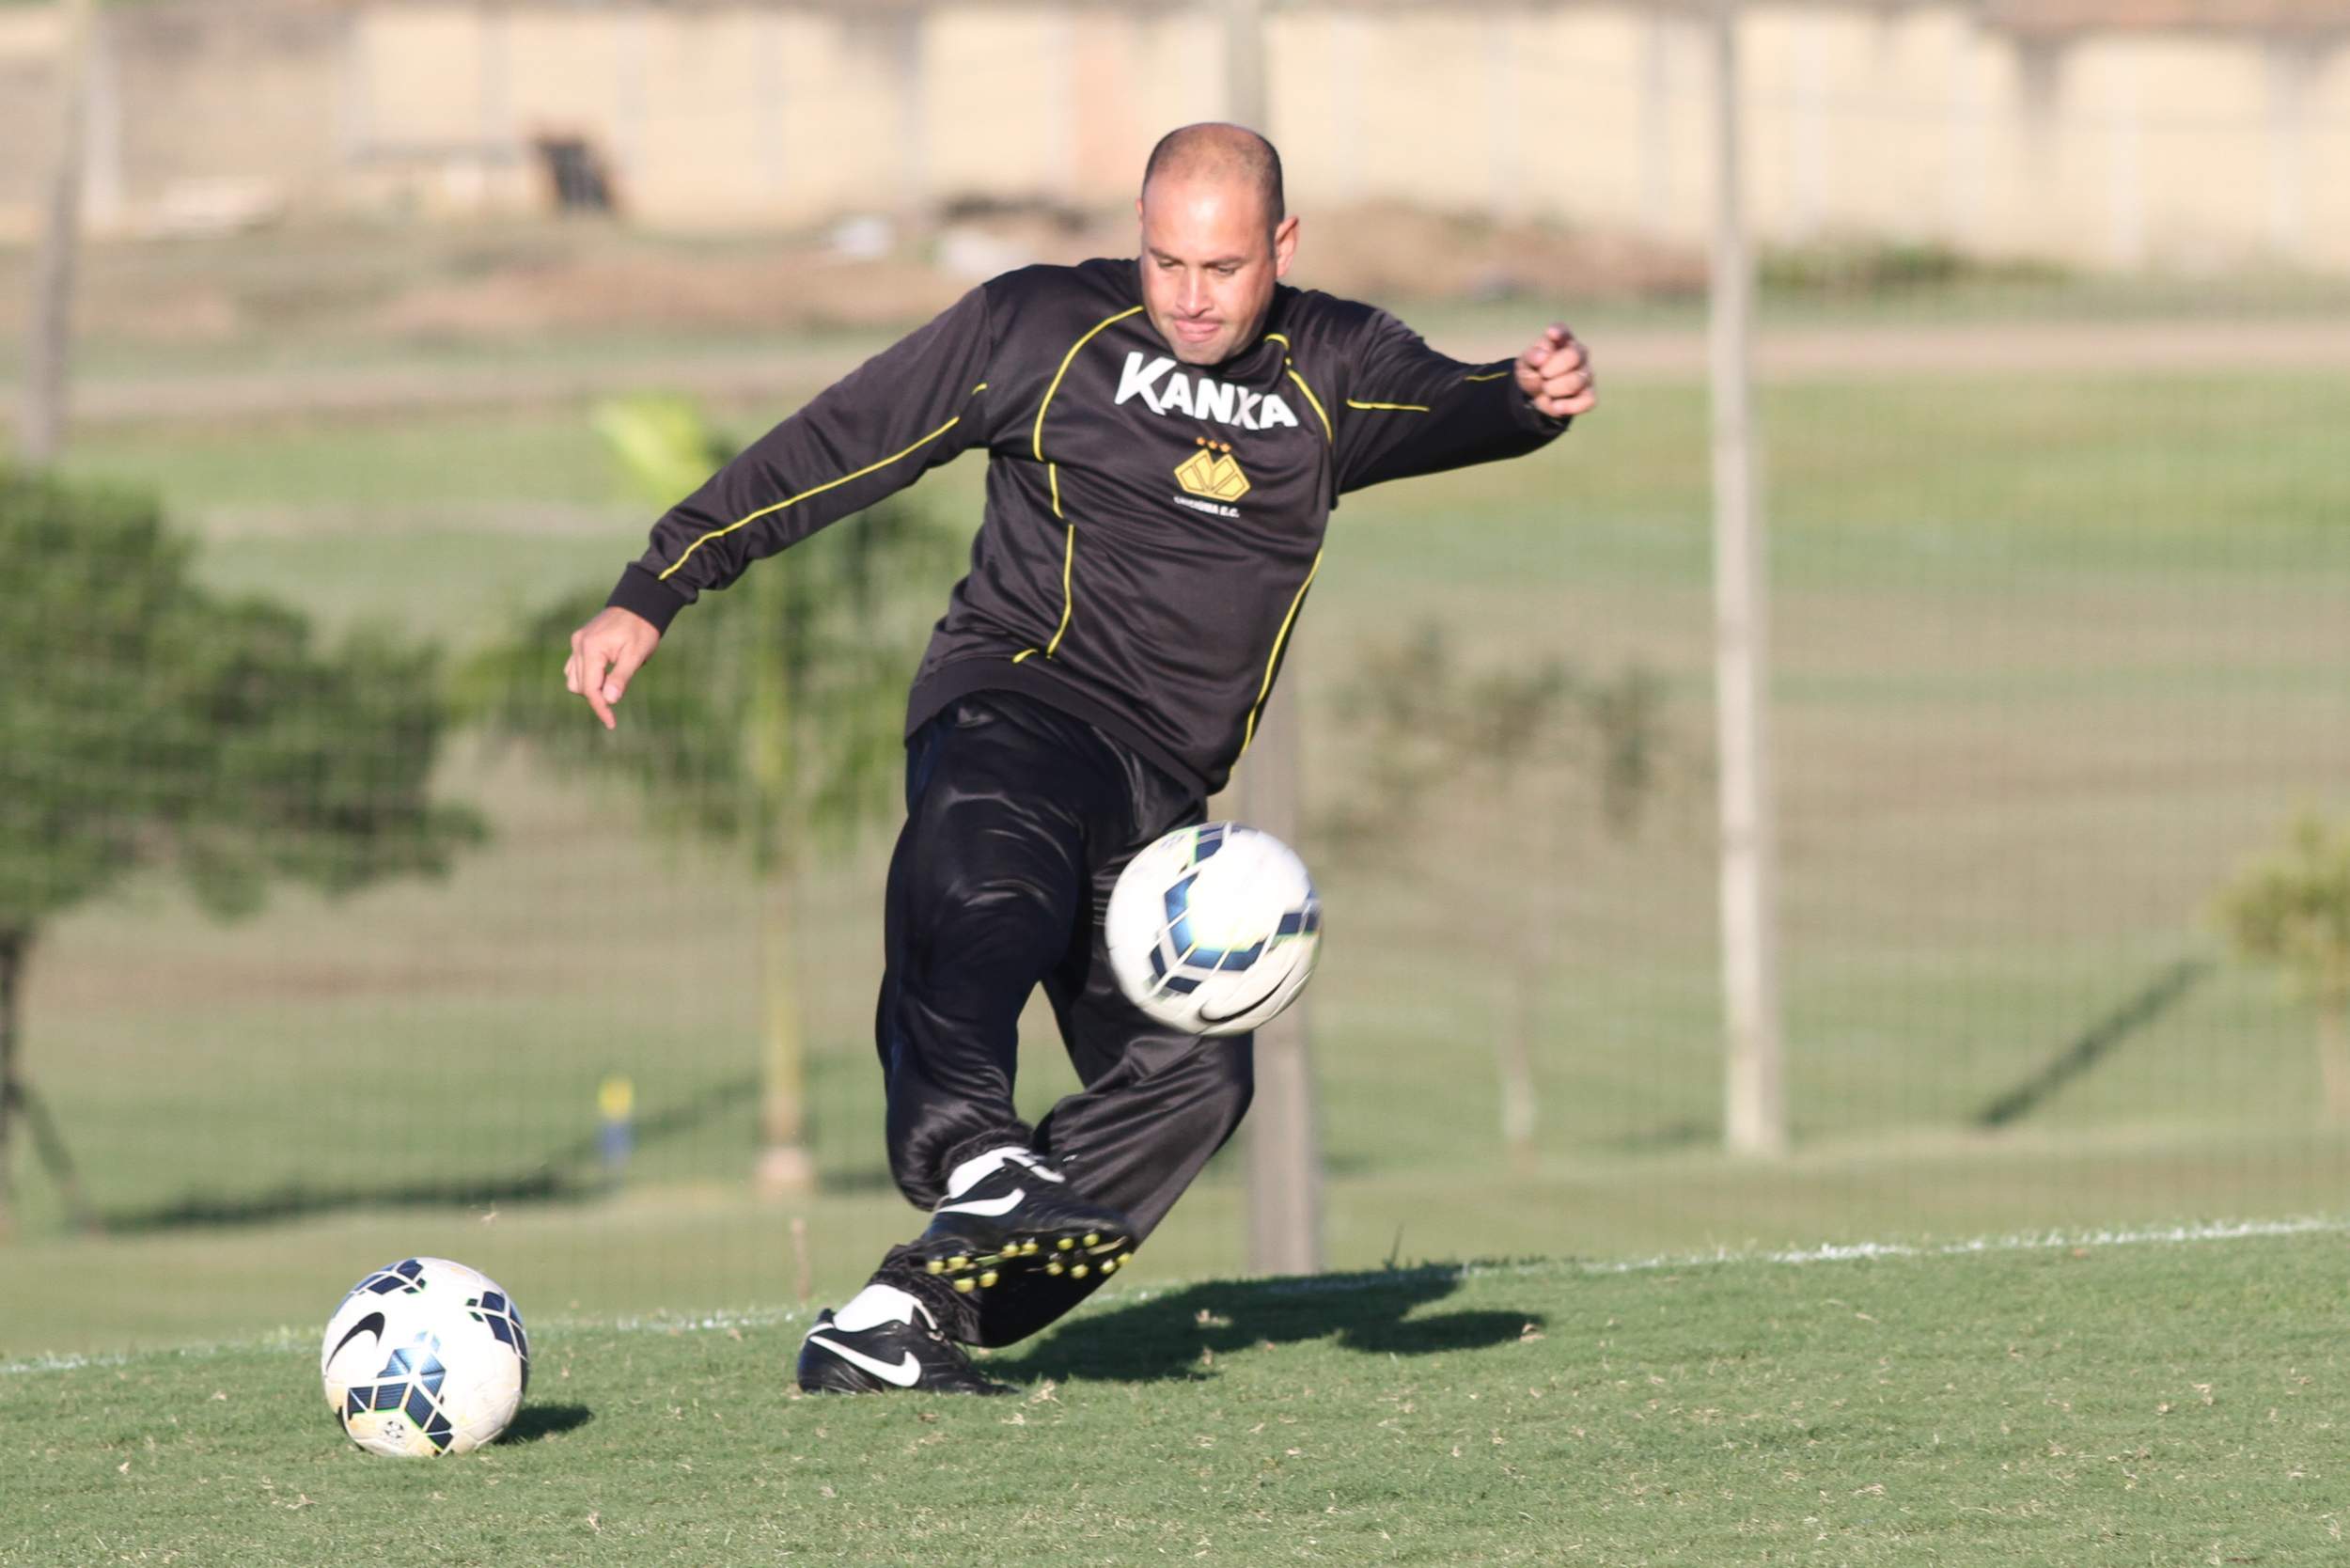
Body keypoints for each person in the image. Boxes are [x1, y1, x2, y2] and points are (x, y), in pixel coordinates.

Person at [564, 124, 1597, 1394]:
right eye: (1166, 261)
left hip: (1161, 798)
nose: (1191, 297)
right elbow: (847, 437)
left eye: (1222, 268)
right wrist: (659, 584)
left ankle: (907, 1319)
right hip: (1019, 702)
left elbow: (1455, 403)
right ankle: (968, 1150)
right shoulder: (1042, 329)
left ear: (1281, 246)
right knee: (993, 882)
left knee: (1196, 1078)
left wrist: (1523, 400)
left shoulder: (1334, 365)